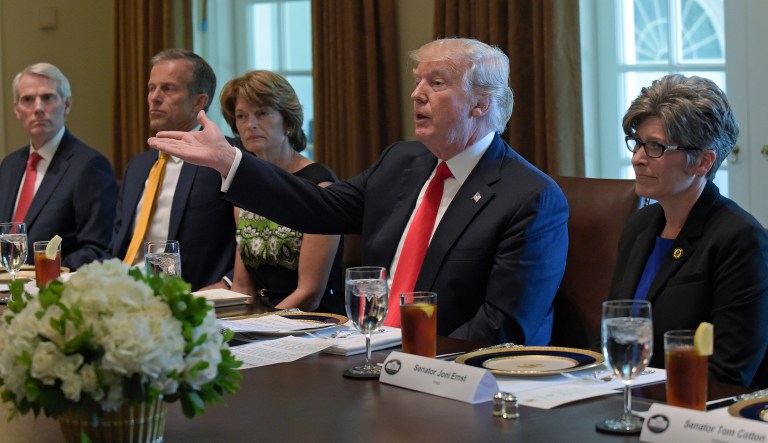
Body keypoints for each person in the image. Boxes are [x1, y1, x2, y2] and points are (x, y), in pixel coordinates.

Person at [149, 38, 569, 345]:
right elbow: (317, 206)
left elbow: (502, 327)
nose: (416, 94)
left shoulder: (530, 197)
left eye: (436, 83)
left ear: (481, 104)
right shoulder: (402, 162)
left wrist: (412, 363)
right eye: (417, 81)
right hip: (364, 350)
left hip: (446, 374)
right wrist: (229, 161)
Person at [609, 74, 768, 386]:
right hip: (626, 402)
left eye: (656, 146)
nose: (638, 158)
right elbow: (617, 336)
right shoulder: (639, 225)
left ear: (703, 162)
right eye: (638, 143)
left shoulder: (739, 239)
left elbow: (728, 373)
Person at [202, 70, 344, 313]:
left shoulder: (320, 186)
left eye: (263, 113)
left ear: (287, 121)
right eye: (241, 116)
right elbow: (242, 288)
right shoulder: (244, 189)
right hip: (262, 320)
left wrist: (261, 328)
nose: (251, 124)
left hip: (316, 323)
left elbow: (310, 293)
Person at [111, 49, 235, 291]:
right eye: (151, 88)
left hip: (188, 296)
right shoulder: (138, 166)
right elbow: (116, 244)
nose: (154, 98)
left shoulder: (224, 160)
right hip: (122, 291)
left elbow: (248, 241)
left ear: (199, 101)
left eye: (168, 89)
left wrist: (228, 283)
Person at [0, 63, 117, 270]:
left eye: (48, 97)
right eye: (28, 99)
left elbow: (97, 249)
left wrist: (42, 271)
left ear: (67, 104)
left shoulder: (89, 166)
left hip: (52, 290)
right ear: (17, 110)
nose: (38, 108)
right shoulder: (9, 165)